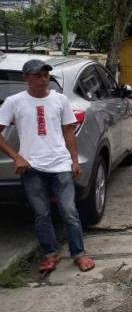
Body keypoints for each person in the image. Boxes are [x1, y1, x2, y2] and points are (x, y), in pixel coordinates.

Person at [0, 59, 95, 274]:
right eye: (37, 75)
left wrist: (74, 160)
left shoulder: (60, 100)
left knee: (69, 211)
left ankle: (78, 254)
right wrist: (16, 157)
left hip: (60, 164)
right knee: (41, 213)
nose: (43, 79)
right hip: (31, 168)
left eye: (46, 75)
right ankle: (51, 254)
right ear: (26, 78)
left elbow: (68, 131)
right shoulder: (14, 102)